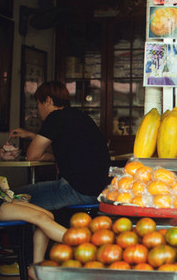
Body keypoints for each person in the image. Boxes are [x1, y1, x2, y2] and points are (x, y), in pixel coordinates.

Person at [9, 81, 111, 210]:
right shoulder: (80, 116)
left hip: (76, 190)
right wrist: (31, 135)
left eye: (38, 104)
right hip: (99, 191)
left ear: (48, 100)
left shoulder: (55, 117)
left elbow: (32, 155)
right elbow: (64, 148)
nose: (38, 109)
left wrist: (51, 157)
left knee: (8, 198)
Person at [0, 140, 67, 280]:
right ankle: (81, 243)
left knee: (47, 215)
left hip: (0, 196)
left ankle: (35, 267)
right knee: (40, 218)